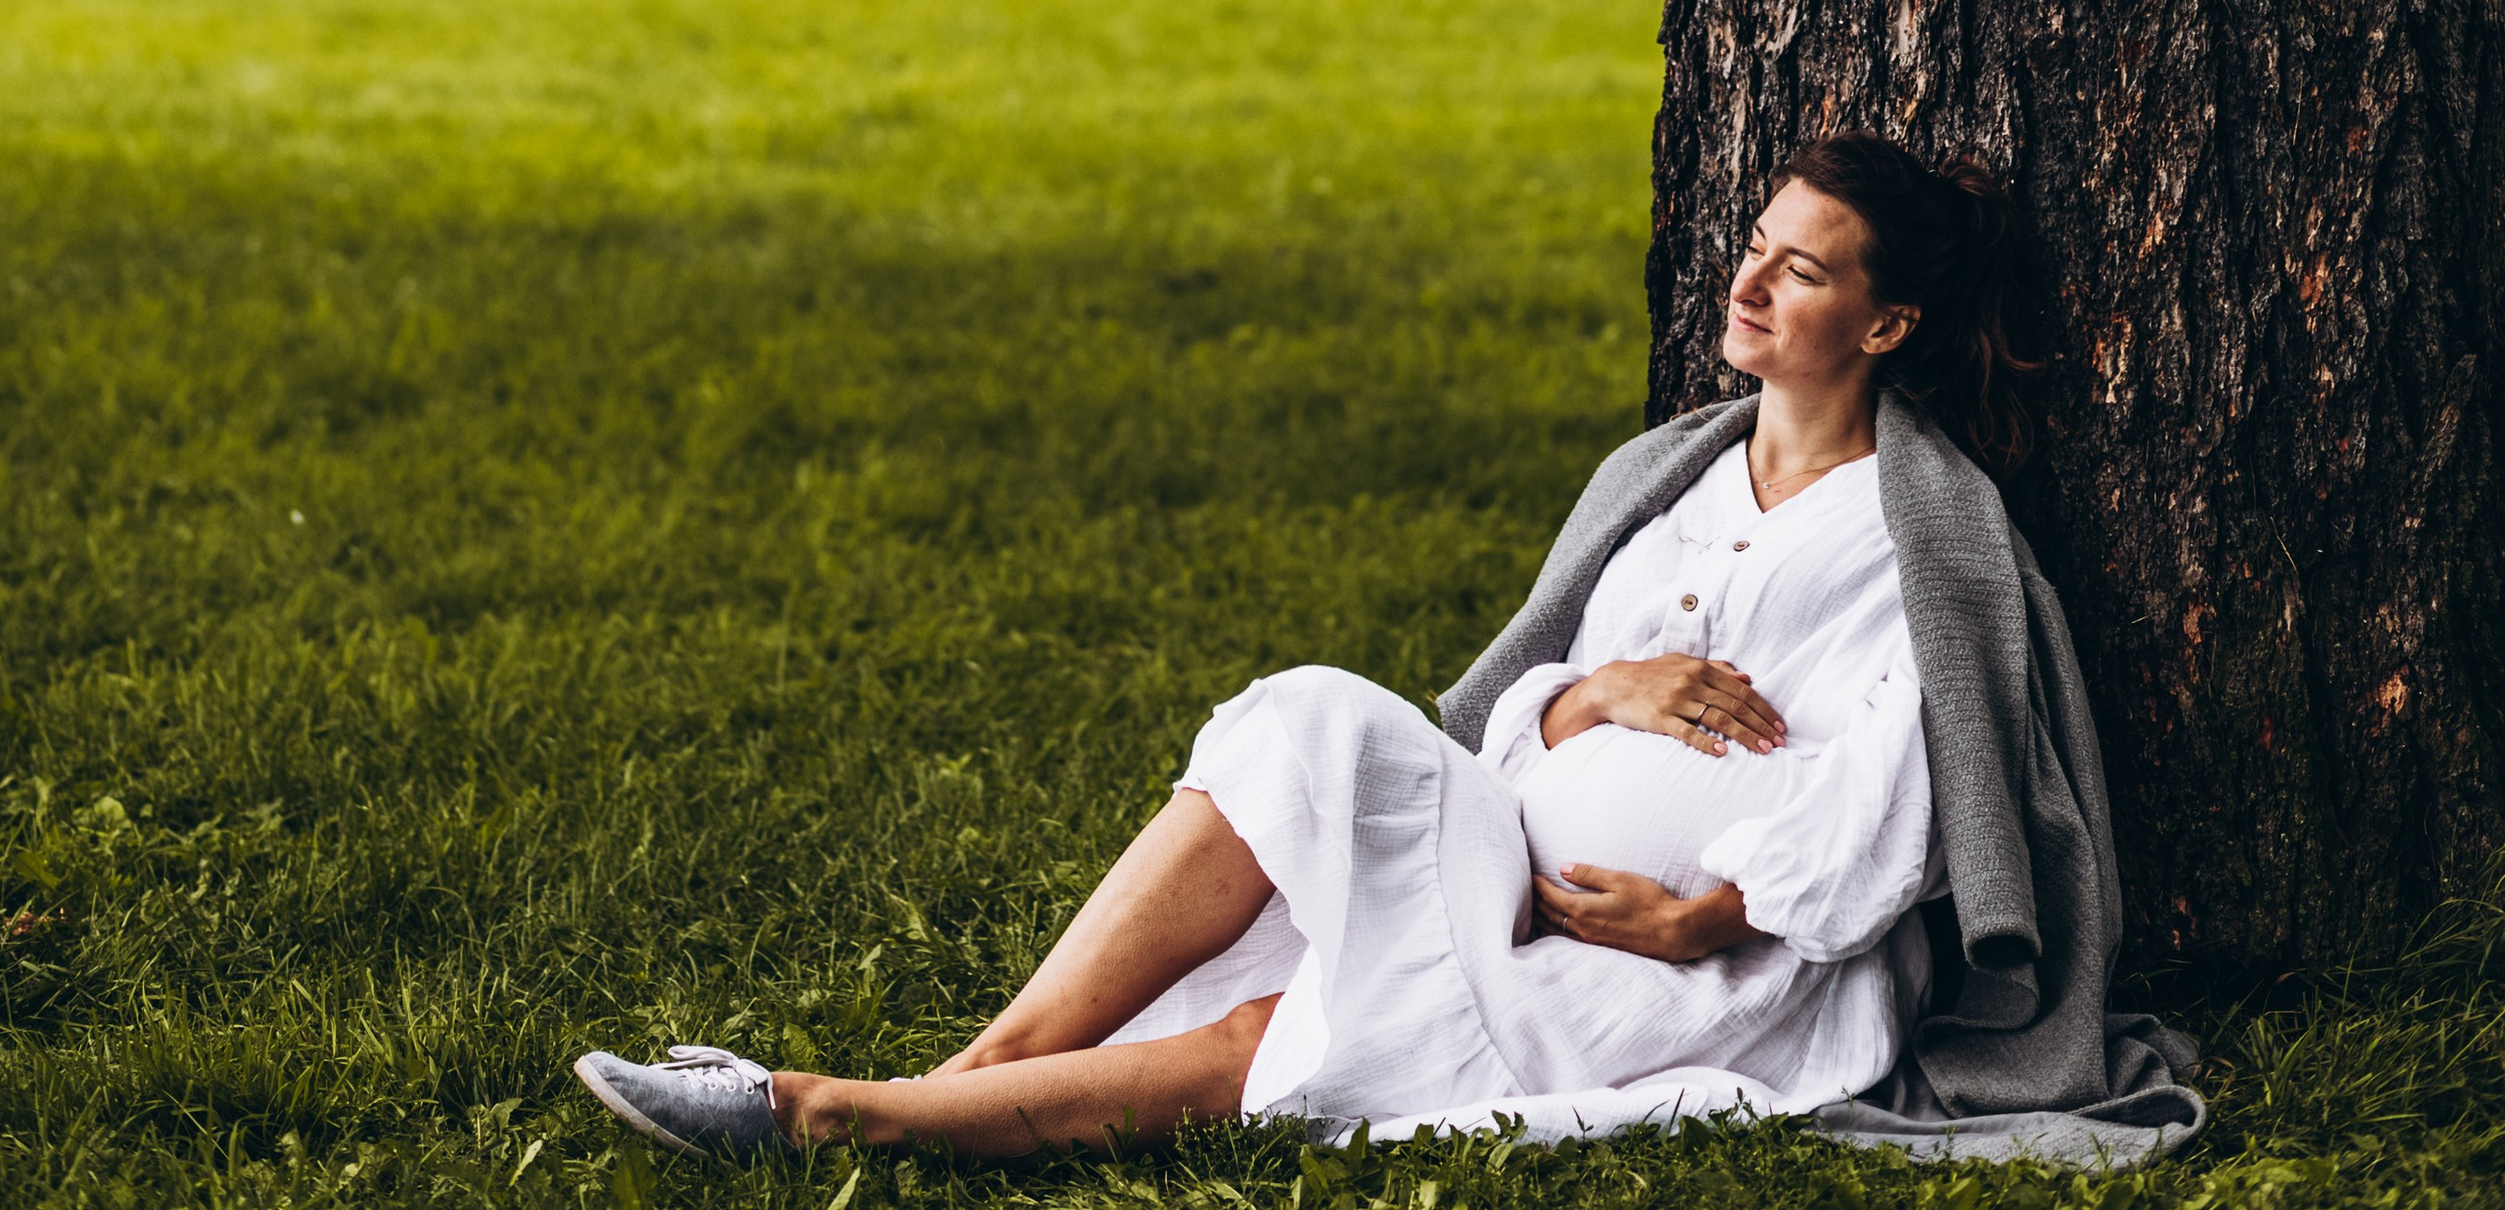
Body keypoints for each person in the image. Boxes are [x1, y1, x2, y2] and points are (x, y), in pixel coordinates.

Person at [575, 137, 2203, 1167]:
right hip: (1521, 859)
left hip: (1700, 976)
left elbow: (1914, 787)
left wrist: (1712, 908)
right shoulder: (1681, 480)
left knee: (1291, 1033)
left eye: (1803, 264)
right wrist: (1591, 691)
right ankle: (983, 1064)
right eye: (1758, 241)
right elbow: (1510, 718)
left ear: (1888, 323)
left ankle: (821, 1111)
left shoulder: (1916, 533)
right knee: (1307, 721)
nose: (1753, 277)